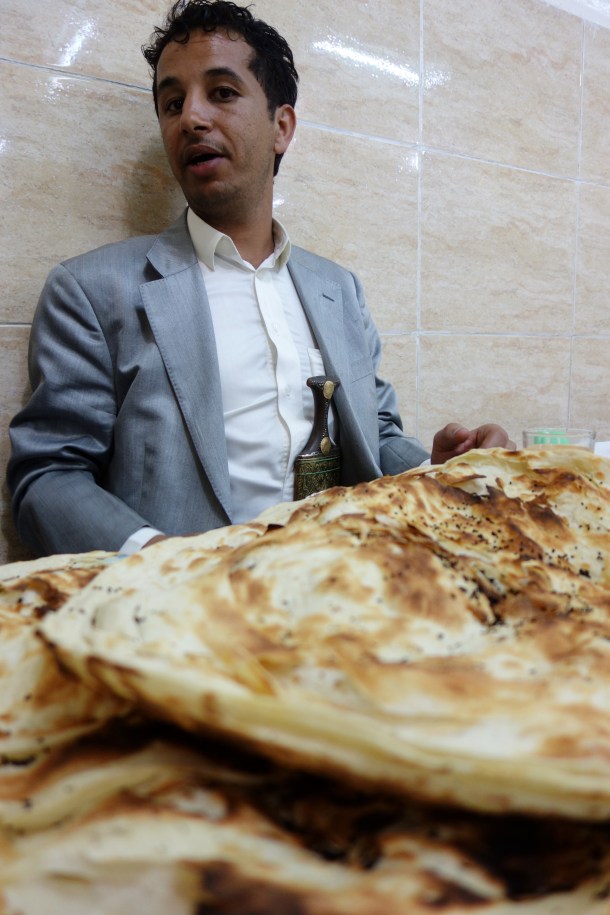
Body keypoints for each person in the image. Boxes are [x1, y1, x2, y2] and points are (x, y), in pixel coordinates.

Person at [6, 0, 512, 558]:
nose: (192, 118)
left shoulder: (337, 289)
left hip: (350, 584)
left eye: (222, 92)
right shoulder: (93, 291)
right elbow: (49, 477)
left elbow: (378, 436)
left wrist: (434, 469)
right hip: (187, 616)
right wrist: (163, 564)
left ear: (281, 126)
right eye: (172, 103)